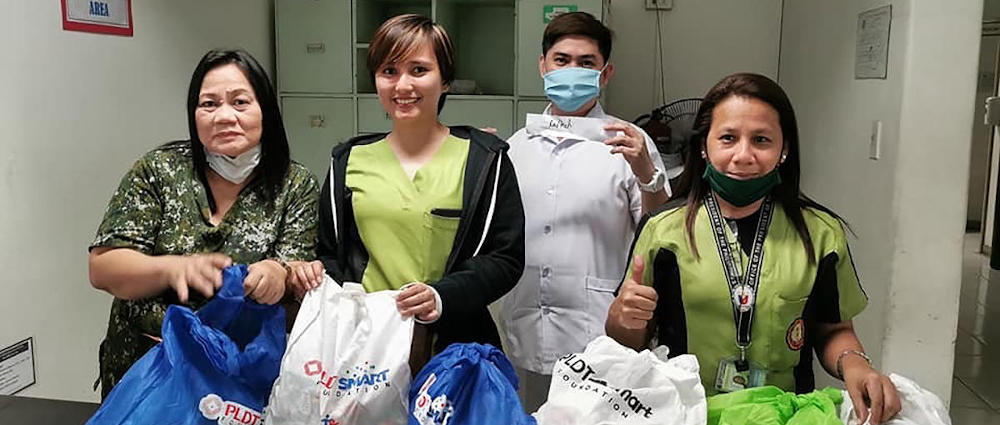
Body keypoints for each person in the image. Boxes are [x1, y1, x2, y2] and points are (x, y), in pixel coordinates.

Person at [605, 73, 900, 423]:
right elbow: (630, 341)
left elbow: (834, 329)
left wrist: (857, 366)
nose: (743, 155)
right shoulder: (663, 230)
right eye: (728, 138)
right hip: (689, 413)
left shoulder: (820, 235)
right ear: (704, 147)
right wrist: (622, 320)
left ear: (784, 149)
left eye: (761, 140)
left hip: (785, 414)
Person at [288, 14, 525, 357]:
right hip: (365, 343)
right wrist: (316, 276)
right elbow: (330, 252)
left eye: (418, 70)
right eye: (389, 71)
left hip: (451, 345)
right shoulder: (347, 160)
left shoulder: (484, 160)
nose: (402, 85)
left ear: (445, 80)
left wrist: (442, 296)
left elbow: (505, 257)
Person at [88, 49, 320, 398]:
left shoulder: (294, 185)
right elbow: (103, 269)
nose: (224, 116)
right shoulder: (159, 171)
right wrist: (173, 269)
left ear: (266, 111)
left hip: (238, 380)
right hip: (146, 375)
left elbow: (296, 273)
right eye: (209, 104)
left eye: (240, 102)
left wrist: (279, 273)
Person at [500, 11, 670, 411]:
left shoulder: (630, 143)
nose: (572, 71)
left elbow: (662, 230)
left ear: (605, 74)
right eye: (561, 60)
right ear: (543, 66)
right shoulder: (516, 146)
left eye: (586, 62)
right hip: (523, 324)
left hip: (597, 332)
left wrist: (645, 172)